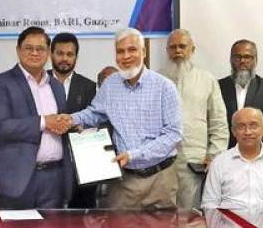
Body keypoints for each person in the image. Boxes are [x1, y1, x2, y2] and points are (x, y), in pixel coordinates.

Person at [66, 28, 182, 209]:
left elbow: (173, 135)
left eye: (132, 49)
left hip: (160, 179)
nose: (125, 56)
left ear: (143, 52)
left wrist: (134, 155)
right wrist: (69, 119)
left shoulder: (165, 87)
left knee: (162, 227)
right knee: (119, 227)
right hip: (123, 181)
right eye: (120, 51)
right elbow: (94, 113)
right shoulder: (110, 84)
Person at [0, 27, 73, 209]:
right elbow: (0, 128)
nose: (34, 53)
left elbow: (59, 125)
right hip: (18, 179)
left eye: (40, 49)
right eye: (28, 48)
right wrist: (44, 122)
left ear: (48, 53)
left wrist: (69, 126)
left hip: (54, 178)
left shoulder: (56, 86)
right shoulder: (1, 82)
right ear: (18, 50)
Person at [158, 29, 228, 208]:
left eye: (182, 46)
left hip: (194, 159)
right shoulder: (156, 79)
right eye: (173, 47)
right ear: (167, 51)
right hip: (160, 160)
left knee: (190, 215)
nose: (177, 51)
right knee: (161, 215)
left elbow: (219, 122)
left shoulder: (207, 79)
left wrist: (214, 156)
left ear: (192, 49)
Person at [201, 108, 263, 210]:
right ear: (233, 131)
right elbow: (209, 204)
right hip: (228, 220)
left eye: (253, 126)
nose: (248, 132)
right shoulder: (219, 163)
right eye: (241, 126)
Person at [48, 32, 98, 208]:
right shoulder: (38, 82)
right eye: (60, 53)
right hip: (47, 164)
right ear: (51, 54)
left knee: (79, 215)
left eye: (70, 54)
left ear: (76, 57)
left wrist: (83, 126)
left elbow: (94, 120)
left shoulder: (88, 86)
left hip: (79, 163)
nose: (64, 58)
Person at [218, 39, 263, 147]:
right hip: (226, 149)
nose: (242, 61)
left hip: (258, 149)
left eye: (247, 57)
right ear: (231, 60)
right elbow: (216, 122)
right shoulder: (219, 86)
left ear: (255, 60)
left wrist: (250, 145)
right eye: (237, 57)